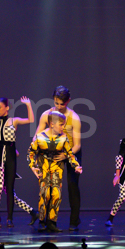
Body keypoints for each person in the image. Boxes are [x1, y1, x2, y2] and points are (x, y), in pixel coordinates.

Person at [0, 96, 37, 228]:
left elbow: (31, 120)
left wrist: (28, 105)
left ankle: (9, 219)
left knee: (9, 189)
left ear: (7, 108)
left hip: (10, 155)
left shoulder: (13, 120)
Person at [33, 86, 82, 230]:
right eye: (56, 103)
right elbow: (37, 136)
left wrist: (66, 155)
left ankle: (74, 220)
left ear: (68, 101)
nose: (59, 107)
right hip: (52, 151)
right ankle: (45, 220)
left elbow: (77, 145)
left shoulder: (74, 118)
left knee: (72, 185)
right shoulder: (46, 115)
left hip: (70, 151)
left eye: (62, 104)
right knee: (48, 187)